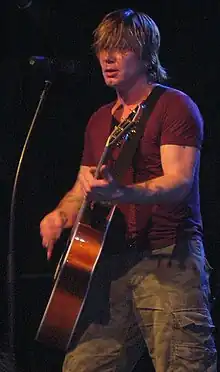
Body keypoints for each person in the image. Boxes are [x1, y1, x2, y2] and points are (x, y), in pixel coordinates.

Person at [40, 8, 217, 372]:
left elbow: (179, 182)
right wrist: (60, 214)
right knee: (82, 366)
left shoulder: (173, 105)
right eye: (104, 48)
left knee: (185, 365)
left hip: (170, 259)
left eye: (120, 48)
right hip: (113, 264)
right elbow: (83, 186)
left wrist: (123, 193)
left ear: (146, 53)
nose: (108, 57)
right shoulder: (100, 119)